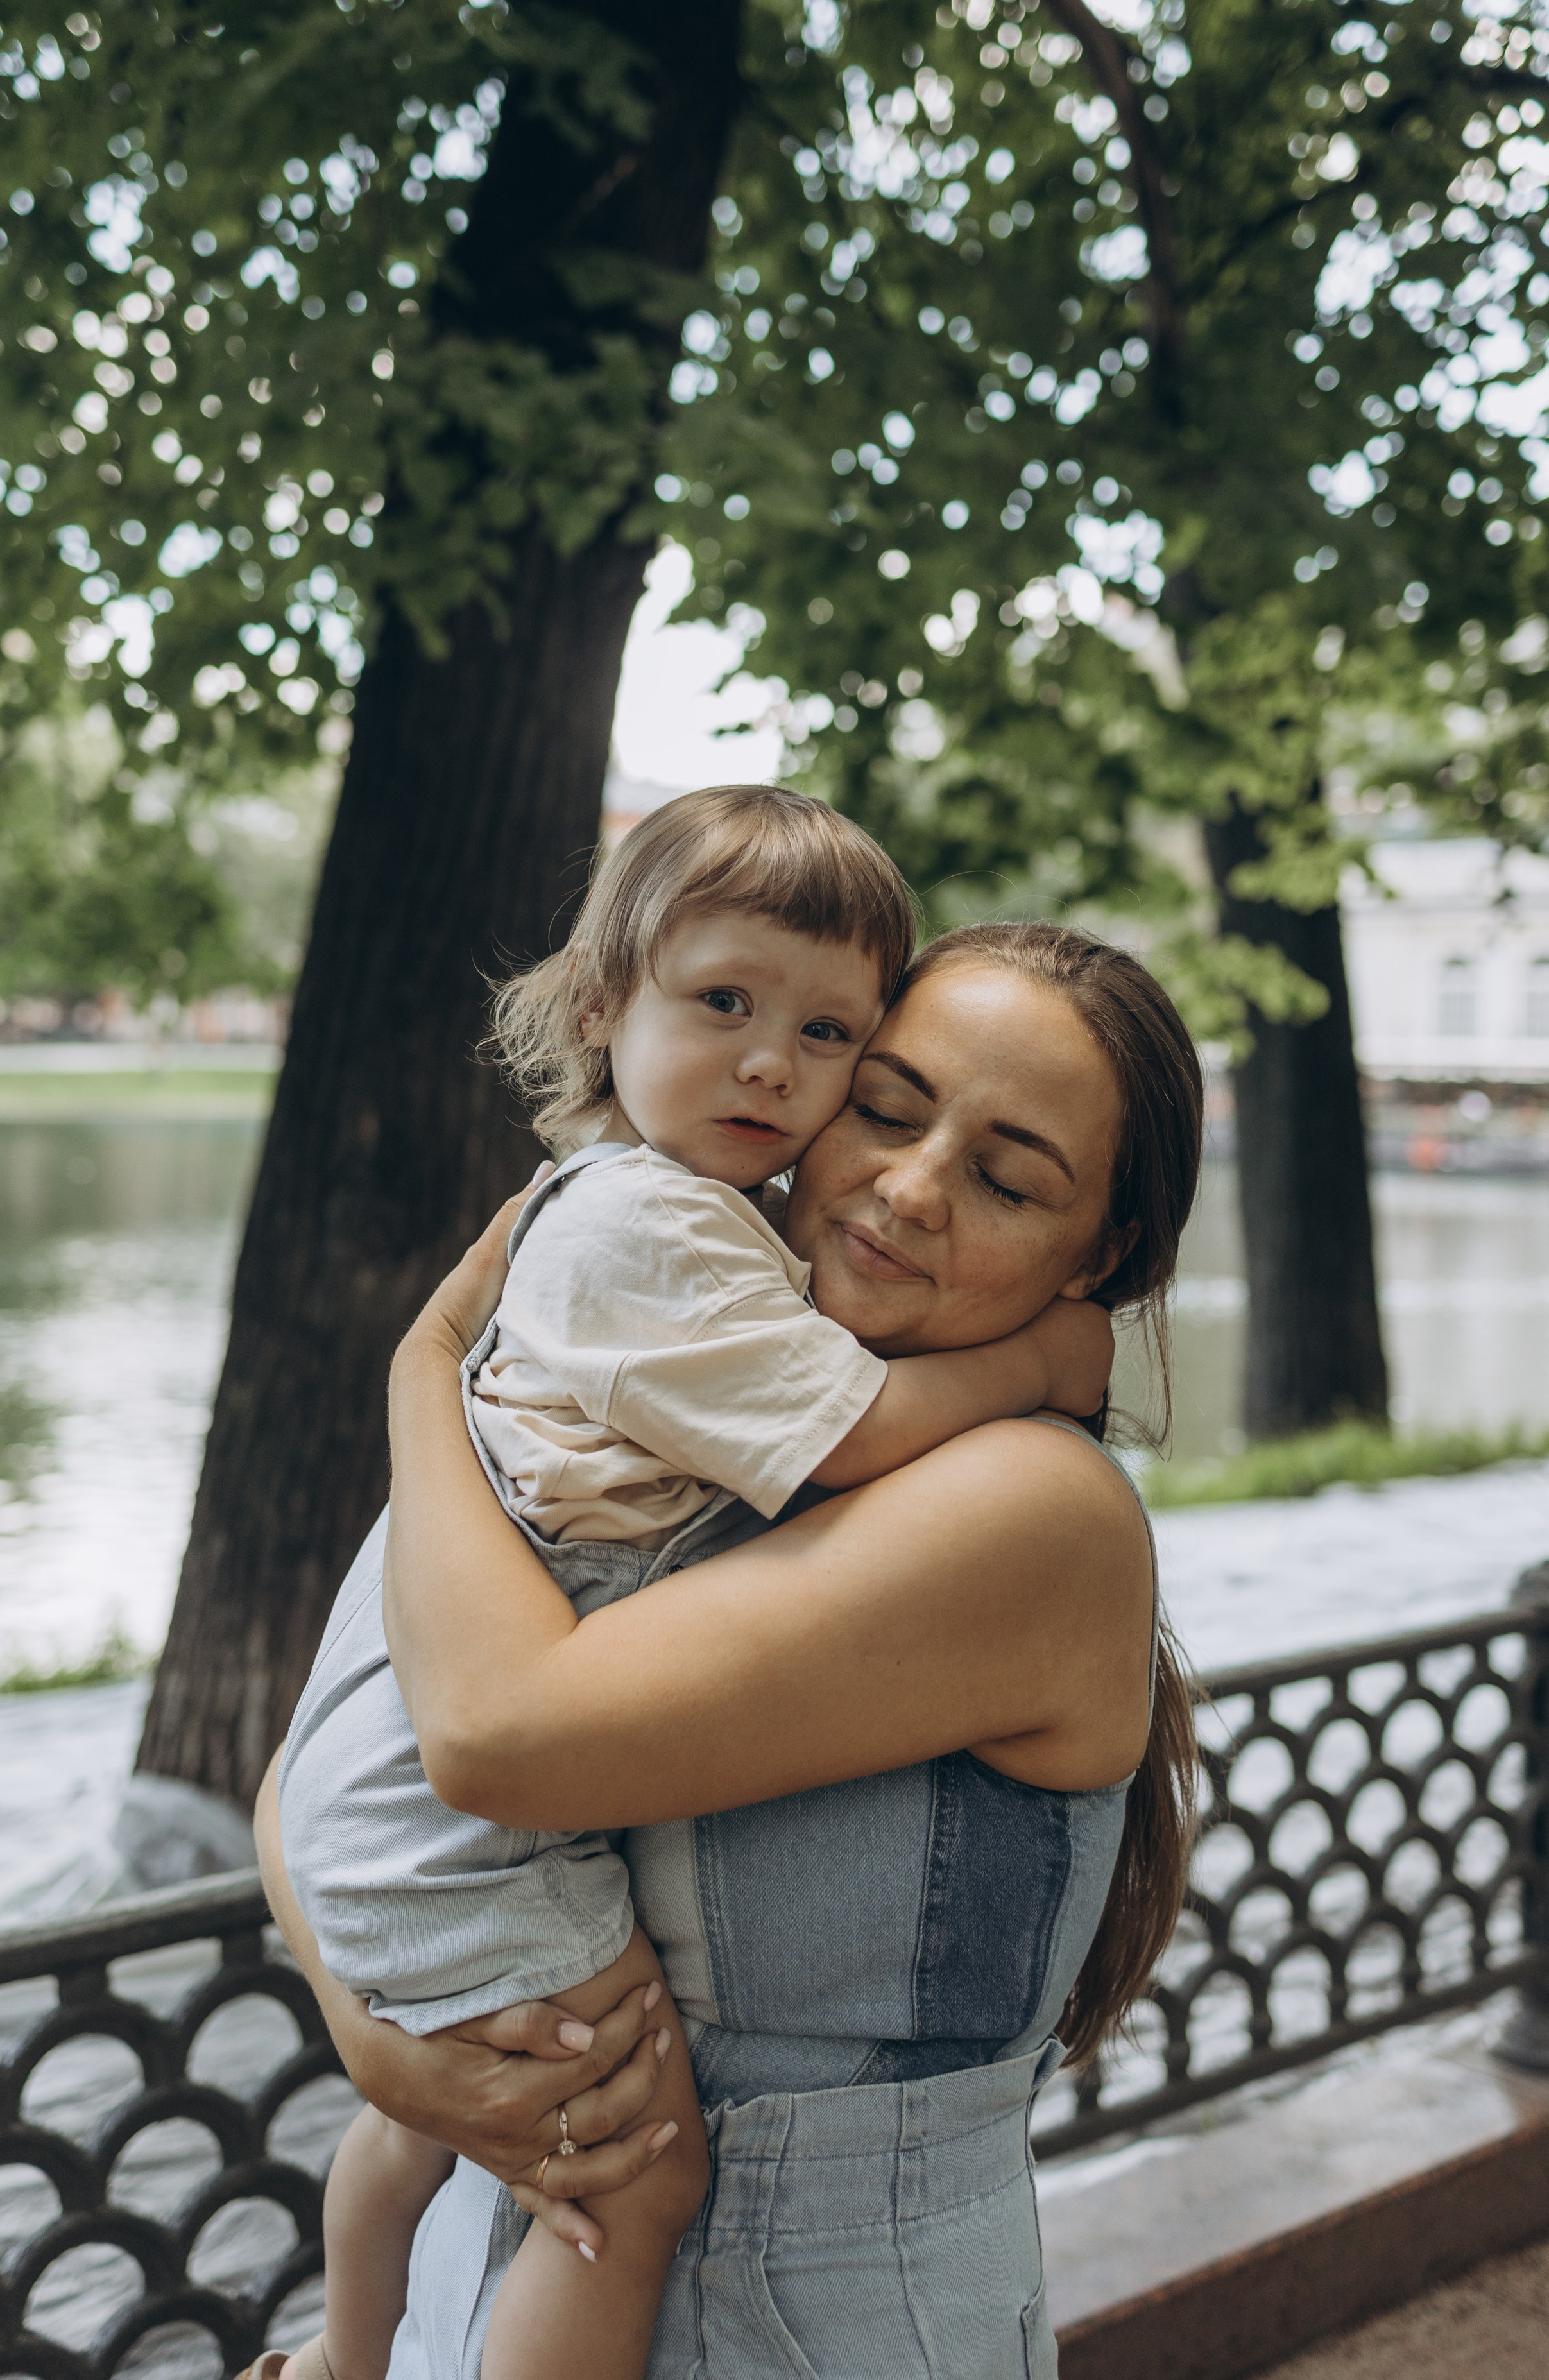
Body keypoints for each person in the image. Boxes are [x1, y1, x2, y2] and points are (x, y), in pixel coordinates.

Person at [259, 918, 1202, 2379]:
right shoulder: (676, 1405)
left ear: (1108, 1253)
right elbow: (328, 1756)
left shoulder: (1032, 1511)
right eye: (883, 1108)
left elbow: (494, 1734)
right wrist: (382, 2043)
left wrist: (427, 1362)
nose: (908, 1187)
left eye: (1008, 1180)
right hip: (482, 2298)